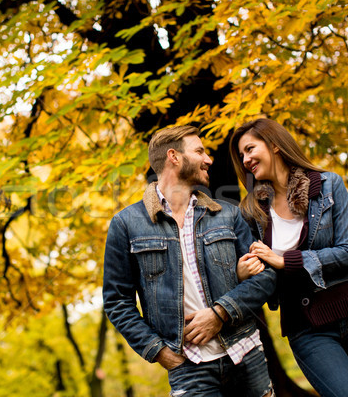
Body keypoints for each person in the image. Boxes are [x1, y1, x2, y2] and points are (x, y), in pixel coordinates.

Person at [103, 125, 276, 397]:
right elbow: (117, 300)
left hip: (245, 352)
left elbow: (265, 276)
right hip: (188, 366)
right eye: (200, 151)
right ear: (174, 156)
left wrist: (221, 313)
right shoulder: (126, 225)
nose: (208, 159)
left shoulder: (228, 215)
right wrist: (157, 351)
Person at [230, 118, 348, 397]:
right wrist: (242, 273)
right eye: (241, 155)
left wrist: (287, 261)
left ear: (275, 145)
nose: (245, 160)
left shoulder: (329, 185)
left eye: (250, 149)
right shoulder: (252, 212)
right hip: (306, 328)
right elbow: (256, 272)